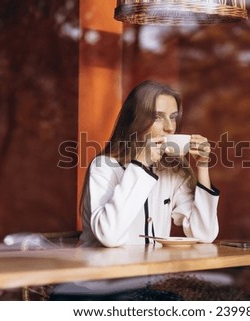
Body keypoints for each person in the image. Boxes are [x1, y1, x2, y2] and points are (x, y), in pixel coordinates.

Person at [78, 80, 219, 248]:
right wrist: (142, 162)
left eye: (173, 117)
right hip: (105, 272)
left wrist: (203, 166)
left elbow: (204, 234)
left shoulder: (173, 170)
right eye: (158, 117)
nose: (169, 127)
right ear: (136, 121)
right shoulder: (104, 167)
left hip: (152, 272)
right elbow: (110, 236)